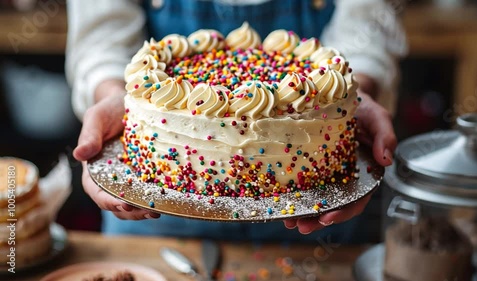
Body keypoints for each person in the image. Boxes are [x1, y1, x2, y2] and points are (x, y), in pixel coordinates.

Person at [66, 0, 406, 242]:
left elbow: (369, 22)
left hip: (314, 217)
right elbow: (102, 36)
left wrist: (359, 85)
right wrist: (113, 93)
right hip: (156, 214)